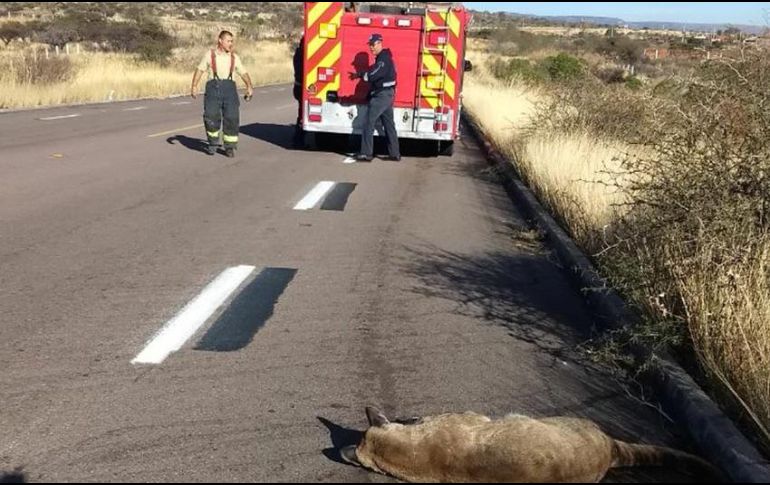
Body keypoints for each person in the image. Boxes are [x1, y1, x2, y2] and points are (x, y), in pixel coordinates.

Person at [191, 30, 253, 158]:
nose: (231, 43)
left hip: (230, 90)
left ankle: (229, 147)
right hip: (213, 89)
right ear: (220, 40)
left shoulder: (234, 57)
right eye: (228, 41)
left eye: (232, 41)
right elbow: (200, 69)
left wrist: (249, 86)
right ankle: (212, 143)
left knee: (232, 118)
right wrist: (194, 86)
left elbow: (243, 73)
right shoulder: (210, 55)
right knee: (211, 116)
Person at [349, 33, 401, 162]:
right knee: (388, 124)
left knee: (368, 121)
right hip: (386, 95)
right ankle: (394, 153)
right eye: (370, 45)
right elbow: (374, 71)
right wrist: (360, 74)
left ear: (379, 43)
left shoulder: (383, 59)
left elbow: (374, 74)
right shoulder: (382, 58)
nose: (371, 47)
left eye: (373, 44)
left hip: (382, 96)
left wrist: (363, 76)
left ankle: (366, 153)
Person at [292, 34, 305, 147]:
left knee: (302, 113)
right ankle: (298, 139)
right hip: (301, 87)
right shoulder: (301, 55)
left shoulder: (298, 54)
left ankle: (299, 138)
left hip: (298, 86)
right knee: (302, 114)